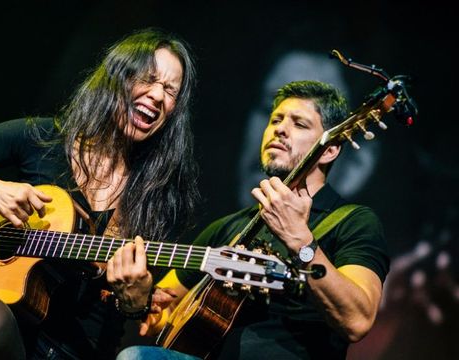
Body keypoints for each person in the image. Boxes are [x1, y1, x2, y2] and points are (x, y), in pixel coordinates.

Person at [0, 27, 200, 359]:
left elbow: (133, 311)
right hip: (4, 335)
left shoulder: (160, 195)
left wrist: (134, 302)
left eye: (170, 90)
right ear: (116, 78)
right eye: (148, 78)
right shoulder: (40, 137)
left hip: (75, 351)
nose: (157, 95)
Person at [107, 80, 390, 359]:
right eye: (275, 119)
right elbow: (160, 311)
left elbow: (357, 321)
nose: (279, 129)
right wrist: (139, 302)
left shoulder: (354, 222)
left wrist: (301, 241)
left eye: (299, 124)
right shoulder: (231, 227)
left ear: (329, 150)